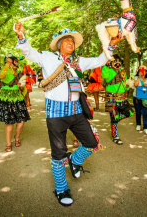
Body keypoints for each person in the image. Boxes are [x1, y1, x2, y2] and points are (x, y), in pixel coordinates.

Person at [15, 21, 123, 207]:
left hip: (76, 111)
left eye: (72, 41)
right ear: (59, 44)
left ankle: (74, 160)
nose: (70, 44)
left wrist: (111, 44)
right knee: (58, 153)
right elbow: (29, 52)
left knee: (91, 143)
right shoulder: (47, 57)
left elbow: (100, 60)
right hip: (55, 113)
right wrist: (21, 36)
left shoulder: (79, 61)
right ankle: (61, 188)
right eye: (66, 41)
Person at [0, 56, 30, 152]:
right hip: (6, 98)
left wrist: (19, 85)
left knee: (21, 121)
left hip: (17, 97)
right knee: (9, 122)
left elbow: (19, 84)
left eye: (16, 61)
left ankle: (17, 138)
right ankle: (8, 144)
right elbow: (1, 76)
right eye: (14, 62)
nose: (16, 63)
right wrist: (7, 64)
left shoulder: (18, 73)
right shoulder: (6, 69)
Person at [102, 55, 134, 144]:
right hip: (112, 98)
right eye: (115, 61)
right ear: (111, 62)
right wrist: (107, 65)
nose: (117, 63)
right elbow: (104, 75)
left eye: (119, 61)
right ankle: (115, 136)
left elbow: (124, 84)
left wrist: (128, 86)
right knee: (114, 118)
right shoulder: (109, 70)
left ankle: (115, 120)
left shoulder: (123, 72)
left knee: (130, 112)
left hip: (122, 98)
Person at [133, 67, 147, 134]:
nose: (142, 72)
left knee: (145, 113)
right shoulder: (136, 78)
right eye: (140, 71)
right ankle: (138, 124)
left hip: (145, 99)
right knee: (138, 112)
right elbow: (135, 85)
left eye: (144, 71)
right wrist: (139, 77)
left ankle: (145, 127)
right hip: (137, 98)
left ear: (146, 72)